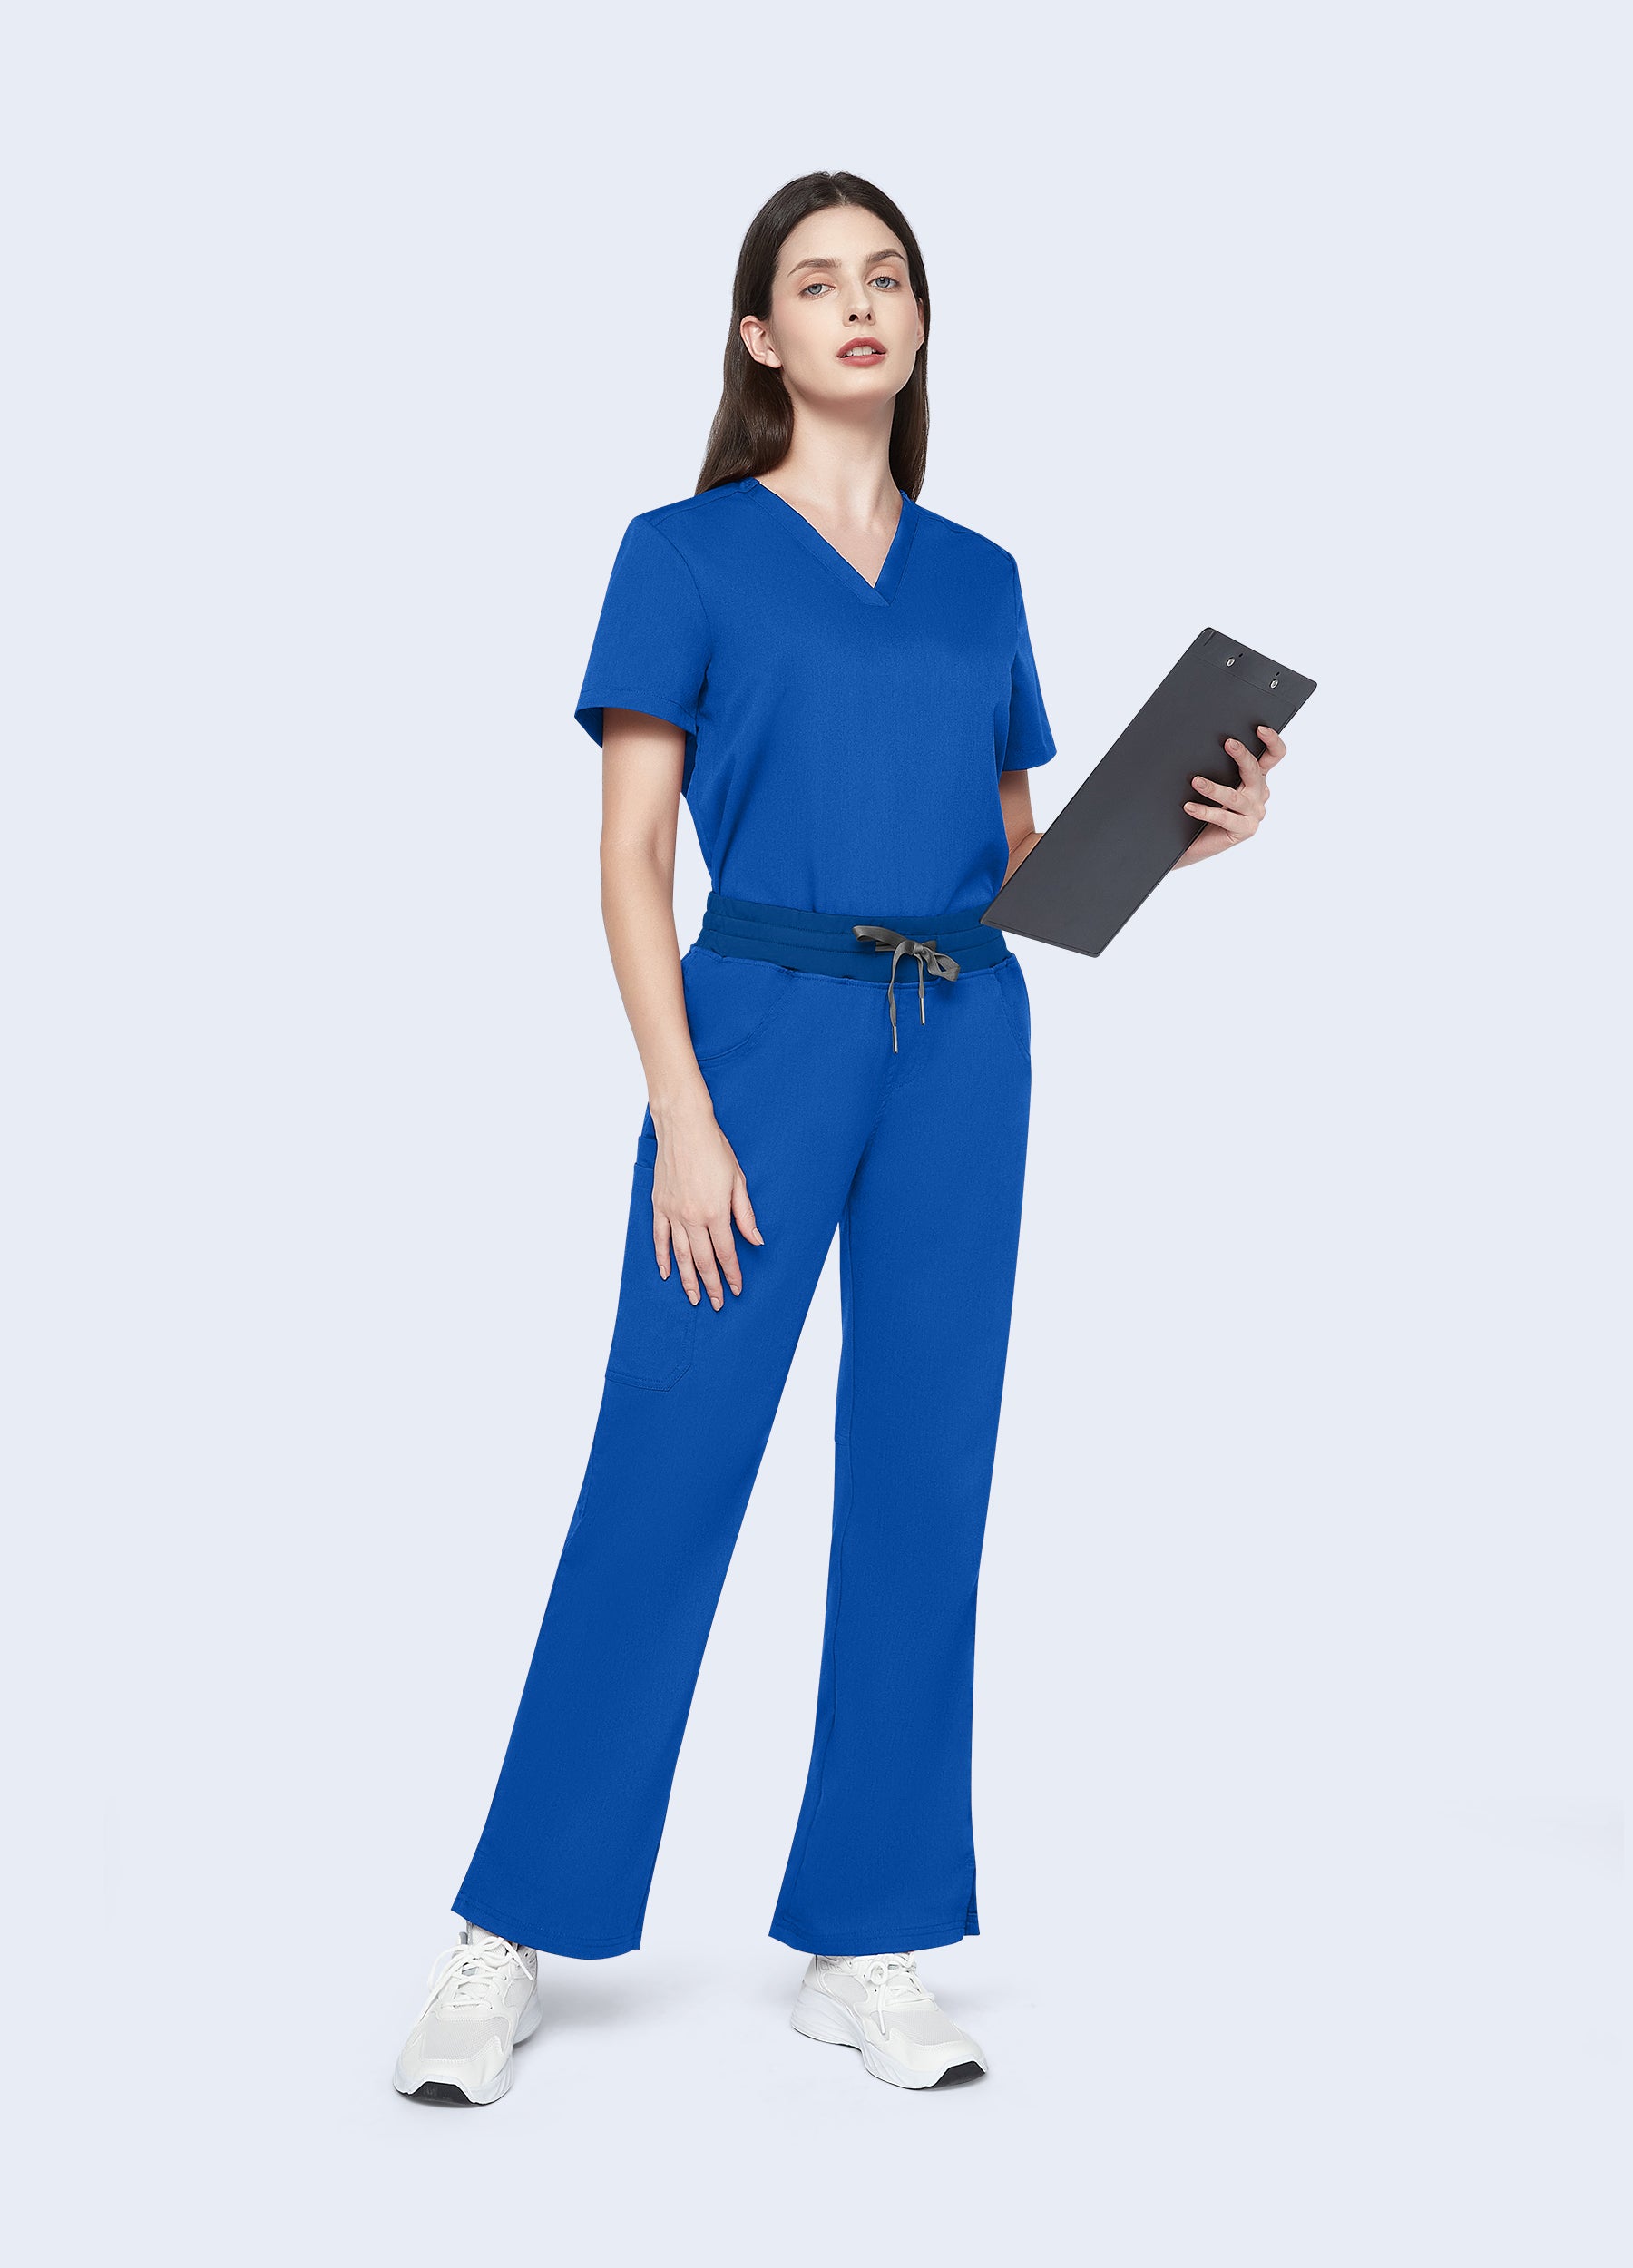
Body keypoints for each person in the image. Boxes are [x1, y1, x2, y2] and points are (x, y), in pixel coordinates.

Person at [392, 171, 1286, 2105]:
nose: (858, 303)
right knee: (667, 1455)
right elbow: (632, 856)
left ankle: (867, 1931)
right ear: (761, 336)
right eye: (817, 281)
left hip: (966, 1035)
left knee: (923, 1471)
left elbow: (1023, 860)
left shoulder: (981, 577)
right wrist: (684, 1116)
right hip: (762, 1030)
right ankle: (506, 1927)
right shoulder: (682, 554)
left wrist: (1190, 838)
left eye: (887, 276)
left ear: (920, 322)